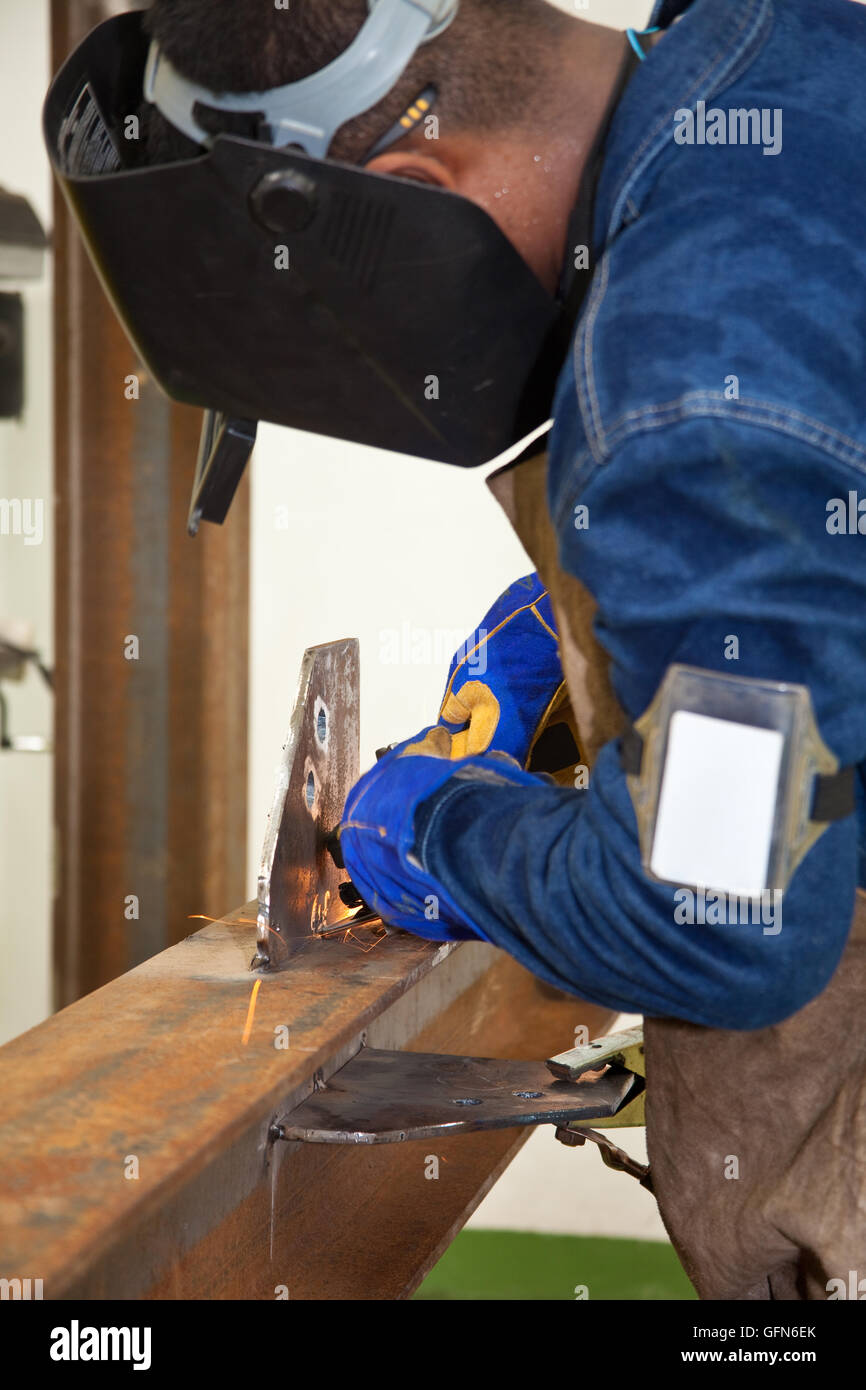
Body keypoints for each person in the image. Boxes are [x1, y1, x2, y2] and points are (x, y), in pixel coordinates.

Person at [89, 0, 866, 1299]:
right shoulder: (768, 48)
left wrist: (441, 831)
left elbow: (725, 923)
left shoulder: (684, 370)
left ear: (403, 192)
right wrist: (629, 642)